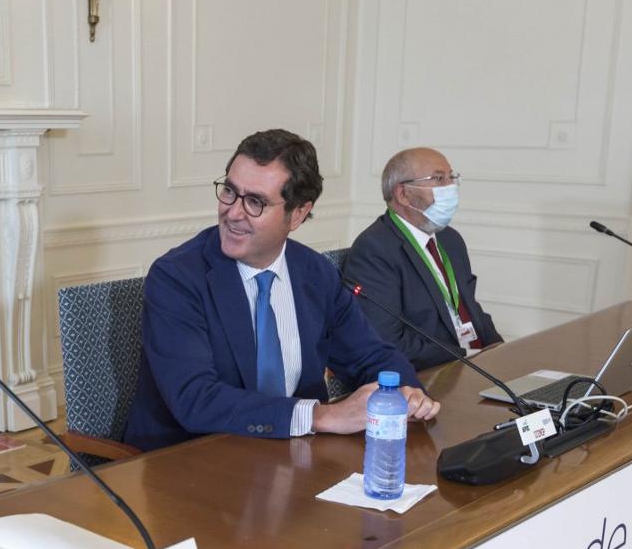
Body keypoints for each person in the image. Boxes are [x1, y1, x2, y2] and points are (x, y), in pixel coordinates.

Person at [123, 129, 438, 452]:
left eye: (255, 202)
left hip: (292, 459)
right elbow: (196, 400)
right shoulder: (177, 277)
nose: (233, 212)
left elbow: (371, 355)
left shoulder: (315, 273)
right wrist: (321, 416)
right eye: (230, 192)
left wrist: (407, 395)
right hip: (188, 461)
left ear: (298, 213)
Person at [344, 147, 501, 371]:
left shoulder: (450, 240)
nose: (451, 187)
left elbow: (472, 310)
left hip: (474, 366)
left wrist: (501, 353)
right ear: (403, 194)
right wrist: (467, 357)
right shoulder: (375, 249)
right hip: (431, 376)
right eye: (438, 179)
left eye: (452, 177)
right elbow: (388, 340)